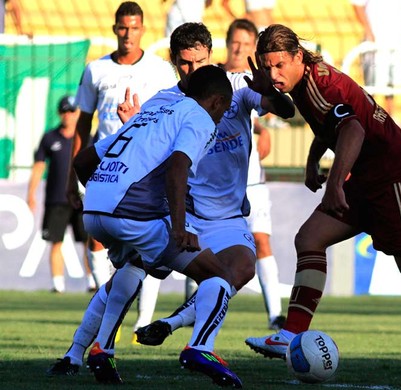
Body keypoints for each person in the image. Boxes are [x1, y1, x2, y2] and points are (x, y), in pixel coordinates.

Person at [47, 22, 294, 387]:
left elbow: (285, 110)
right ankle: (78, 351)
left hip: (225, 215)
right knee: (132, 275)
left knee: (239, 270)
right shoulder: (165, 100)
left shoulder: (237, 87)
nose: (192, 71)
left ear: (211, 56)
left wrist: (269, 92)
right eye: (184, 64)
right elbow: (162, 160)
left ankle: (168, 325)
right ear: (174, 62)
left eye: (199, 62)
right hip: (181, 210)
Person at [243, 24, 401, 383]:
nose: (274, 75)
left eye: (279, 66)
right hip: (367, 178)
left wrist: (336, 183)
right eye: (267, 67)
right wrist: (313, 161)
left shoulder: (324, 85)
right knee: (309, 239)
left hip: (398, 178)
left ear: (297, 57)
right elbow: (329, 126)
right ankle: (290, 336)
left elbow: (352, 130)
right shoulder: (306, 82)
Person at [73, 64, 233, 385]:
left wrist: (100, 201)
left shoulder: (154, 110)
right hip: (132, 211)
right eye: (223, 110)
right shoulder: (200, 117)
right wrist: (178, 227)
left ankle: (102, 349)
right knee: (217, 275)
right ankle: (200, 347)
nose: (220, 118)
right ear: (216, 102)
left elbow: (83, 161)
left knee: (134, 266)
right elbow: (178, 167)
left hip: (96, 210)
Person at [66, 1, 178, 340]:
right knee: (100, 242)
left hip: (144, 171)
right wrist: (73, 180)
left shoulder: (160, 70)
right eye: (122, 27)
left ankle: (141, 320)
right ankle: (109, 306)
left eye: (134, 27)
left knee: (147, 249)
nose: (128, 33)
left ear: (143, 29)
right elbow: (83, 127)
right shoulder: (95, 70)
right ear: (115, 28)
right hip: (105, 169)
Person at [221, 18, 286, 330]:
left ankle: (275, 314)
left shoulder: (251, 80)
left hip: (251, 180)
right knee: (202, 248)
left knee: (261, 241)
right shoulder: (211, 78)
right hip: (217, 181)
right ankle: (193, 313)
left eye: (246, 44)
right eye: (236, 42)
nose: (239, 48)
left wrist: (263, 129)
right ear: (227, 43)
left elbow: (259, 108)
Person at [27, 96, 95, 293]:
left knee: (88, 240)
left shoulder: (88, 138)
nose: (68, 115)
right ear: (59, 113)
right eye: (64, 111)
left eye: (72, 111)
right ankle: (57, 284)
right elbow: (39, 166)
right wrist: (31, 193)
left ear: (78, 113)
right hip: (56, 198)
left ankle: (92, 280)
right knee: (56, 241)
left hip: (82, 197)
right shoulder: (50, 138)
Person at [351, 0, 401, 117]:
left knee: (391, 82)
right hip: (376, 37)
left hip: (396, 36)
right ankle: (369, 117)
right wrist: (369, 32)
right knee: (372, 83)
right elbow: (357, 5)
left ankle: (390, 118)